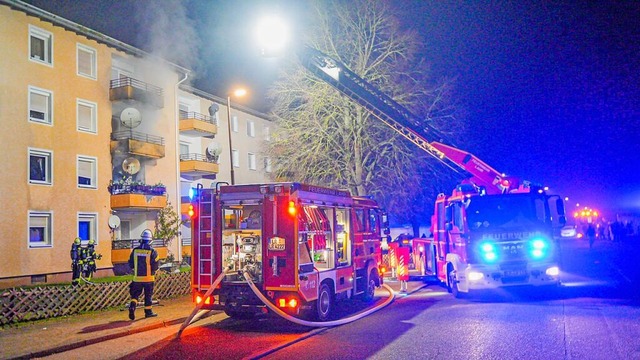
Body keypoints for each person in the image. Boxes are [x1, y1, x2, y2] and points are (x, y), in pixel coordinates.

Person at [128, 229, 159, 320]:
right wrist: (153, 271)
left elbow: (131, 263)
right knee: (148, 296)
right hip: (148, 278)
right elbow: (155, 265)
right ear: (150, 241)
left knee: (135, 295)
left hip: (137, 278)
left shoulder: (135, 250)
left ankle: (132, 306)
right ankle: (148, 312)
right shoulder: (153, 251)